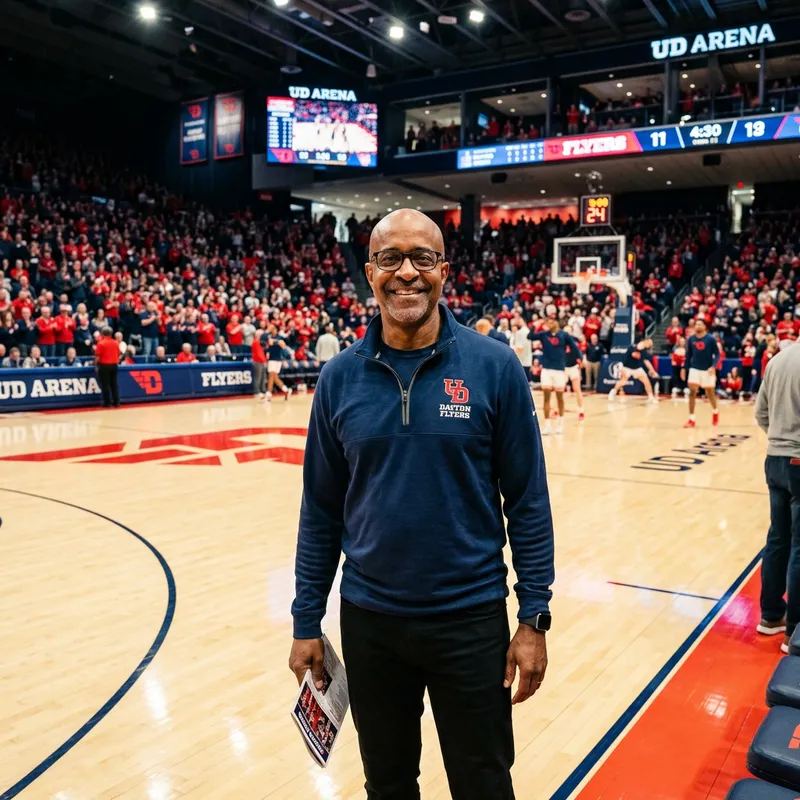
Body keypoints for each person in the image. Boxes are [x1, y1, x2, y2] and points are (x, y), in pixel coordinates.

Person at [289, 209, 554, 800]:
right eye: (390, 259)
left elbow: (529, 501)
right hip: (370, 623)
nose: (406, 273)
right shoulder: (338, 378)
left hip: (471, 620)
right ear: (369, 273)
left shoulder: (495, 367)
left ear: (444, 271)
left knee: (483, 782)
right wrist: (307, 619)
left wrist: (534, 617)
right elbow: (320, 511)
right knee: (386, 784)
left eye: (422, 258)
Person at [755, 340, 800, 654]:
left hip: (775, 460)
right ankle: (795, 632)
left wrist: (782, 439)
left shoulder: (777, 360)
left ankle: (771, 616)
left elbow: (761, 414)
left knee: (777, 539)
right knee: (799, 547)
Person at [528, 317, 580, 435]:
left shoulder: (564, 335)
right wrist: (535, 325)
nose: (549, 324)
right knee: (546, 397)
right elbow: (529, 336)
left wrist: (579, 359)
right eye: (548, 322)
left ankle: (560, 424)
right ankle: (547, 425)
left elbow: (575, 347)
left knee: (559, 397)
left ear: (556, 322)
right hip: (546, 369)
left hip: (559, 369)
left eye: (551, 322)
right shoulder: (543, 334)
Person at [681, 319, 723, 428]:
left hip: (707, 369)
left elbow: (717, 355)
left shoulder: (710, 339)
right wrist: (684, 368)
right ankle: (691, 419)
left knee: (710, 393)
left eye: (700, 324)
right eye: (696, 324)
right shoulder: (691, 339)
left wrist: (713, 366)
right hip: (694, 368)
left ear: (705, 326)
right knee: (692, 392)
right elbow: (688, 356)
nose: (698, 326)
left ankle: (715, 411)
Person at [608, 338, 659, 403]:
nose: (649, 346)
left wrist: (653, 371)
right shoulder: (632, 347)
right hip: (627, 367)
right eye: (649, 344)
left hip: (637, 369)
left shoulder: (644, 352)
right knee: (623, 381)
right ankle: (612, 393)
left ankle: (651, 397)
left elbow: (646, 361)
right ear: (645, 342)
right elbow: (634, 355)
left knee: (646, 381)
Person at [94, 326, 120, 408]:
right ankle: (116, 402)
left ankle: (107, 403)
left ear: (102, 334)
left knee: (106, 385)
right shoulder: (116, 342)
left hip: (104, 366)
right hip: (114, 365)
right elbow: (118, 354)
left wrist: (95, 364)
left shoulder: (100, 343)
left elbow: (98, 356)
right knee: (114, 384)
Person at [564, 336, 586, 421]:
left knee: (577, 389)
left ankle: (581, 410)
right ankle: (556, 410)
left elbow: (580, 357)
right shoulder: (561, 344)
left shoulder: (574, 344)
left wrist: (580, 363)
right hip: (563, 368)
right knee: (559, 390)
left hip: (573, 367)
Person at [266, 329, 292, 401]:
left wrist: (275, 341)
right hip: (272, 358)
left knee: (272, 376)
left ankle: (269, 393)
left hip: (276, 359)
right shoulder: (269, 336)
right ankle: (285, 390)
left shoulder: (279, 337)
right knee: (273, 376)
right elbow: (268, 343)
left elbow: (283, 345)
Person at [251, 333, 268, 399]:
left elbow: (261, 353)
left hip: (261, 361)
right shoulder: (255, 342)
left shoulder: (259, 342)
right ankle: (256, 392)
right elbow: (258, 353)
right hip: (257, 361)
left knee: (263, 377)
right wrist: (264, 361)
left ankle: (263, 390)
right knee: (257, 377)